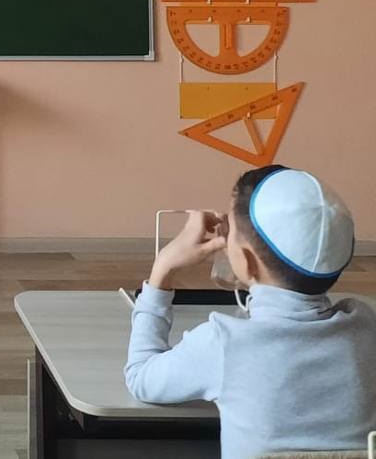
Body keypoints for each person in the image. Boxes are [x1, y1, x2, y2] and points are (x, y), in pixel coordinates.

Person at [124, 165, 376, 458]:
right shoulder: (366, 326)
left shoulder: (223, 343)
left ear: (246, 261)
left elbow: (141, 378)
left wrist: (163, 268)